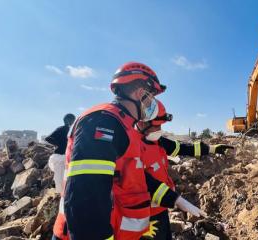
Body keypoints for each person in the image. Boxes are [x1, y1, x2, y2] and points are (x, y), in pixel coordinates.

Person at [52, 62, 204, 240]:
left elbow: (135, 178)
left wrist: (175, 199)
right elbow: (86, 196)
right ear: (140, 94)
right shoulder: (103, 122)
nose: (152, 105)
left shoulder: (124, 126)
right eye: (151, 97)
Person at [137, 100, 233, 239]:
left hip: (161, 209)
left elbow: (184, 148)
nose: (159, 130)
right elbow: (141, 181)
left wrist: (212, 148)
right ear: (141, 123)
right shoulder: (132, 147)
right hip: (142, 216)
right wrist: (178, 201)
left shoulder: (159, 141)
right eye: (156, 126)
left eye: (161, 126)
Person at [45, 113, 76, 193]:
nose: (73, 121)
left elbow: (48, 138)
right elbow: (48, 138)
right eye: (73, 120)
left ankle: (63, 194)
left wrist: (59, 144)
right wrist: (60, 144)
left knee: (63, 179)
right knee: (62, 179)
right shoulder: (64, 129)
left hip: (65, 156)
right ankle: (62, 195)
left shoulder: (71, 130)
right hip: (61, 156)